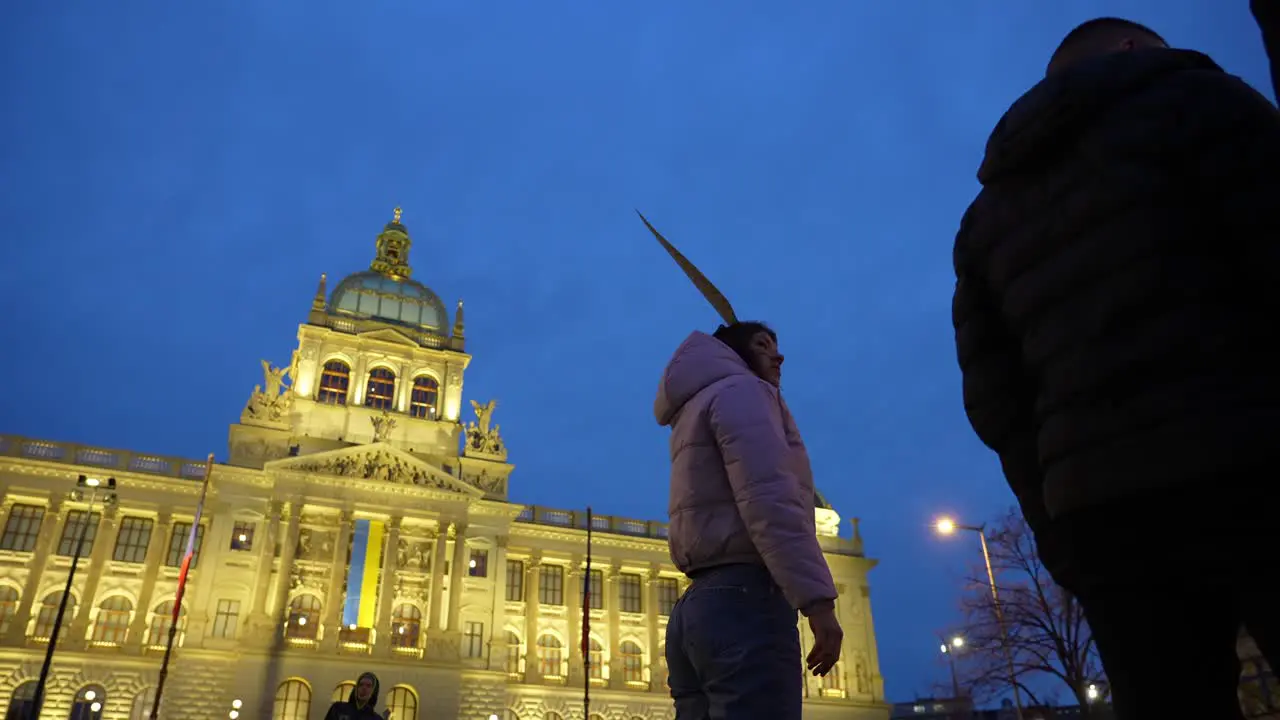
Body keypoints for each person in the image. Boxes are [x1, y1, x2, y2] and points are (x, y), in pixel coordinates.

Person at [951, 15, 1280, 720]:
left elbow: (997, 402)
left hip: (1103, 514)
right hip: (1250, 459)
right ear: (1133, 51)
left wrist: (1060, 529)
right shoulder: (1201, 104)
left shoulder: (986, 217)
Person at [639, 212, 842, 720]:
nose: (778, 359)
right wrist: (818, 604)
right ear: (735, 355)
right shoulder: (743, 393)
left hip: (695, 612)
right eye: (762, 347)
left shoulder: (692, 409)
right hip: (744, 602)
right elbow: (769, 499)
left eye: (777, 350)